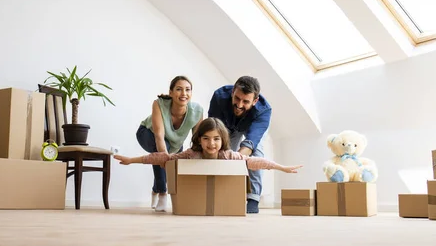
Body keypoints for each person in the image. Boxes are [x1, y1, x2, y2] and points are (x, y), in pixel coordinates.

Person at [116, 117, 300, 173]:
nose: (211, 144)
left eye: (216, 139)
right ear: (199, 140)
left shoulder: (227, 155)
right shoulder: (191, 154)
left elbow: (254, 162)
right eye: (206, 138)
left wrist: (281, 167)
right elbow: (163, 158)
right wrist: (131, 160)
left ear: (223, 140)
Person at [136, 76, 203, 212]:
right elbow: (159, 135)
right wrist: (164, 158)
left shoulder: (197, 111)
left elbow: (197, 140)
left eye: (187, 90)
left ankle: (155, 190)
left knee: (171, 164)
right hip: (147, 134)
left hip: (175, 144)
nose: (184, 93)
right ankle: (162, 194)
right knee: (162, 152)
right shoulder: (159, 104)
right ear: (171, 92)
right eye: (179, 89)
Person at [208, 76, 271, 214]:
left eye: (246, 101)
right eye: (237, 98)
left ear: (255, 101)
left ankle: (253, 198)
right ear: (232, 93)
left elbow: (250, 145)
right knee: (222, 152)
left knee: (256, 154)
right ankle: (223, 194)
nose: (239, 104)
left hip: (251, 129)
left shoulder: (264, 111)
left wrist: (237, 159)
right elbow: (214, 132)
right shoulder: (219, 97)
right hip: (227, 126)